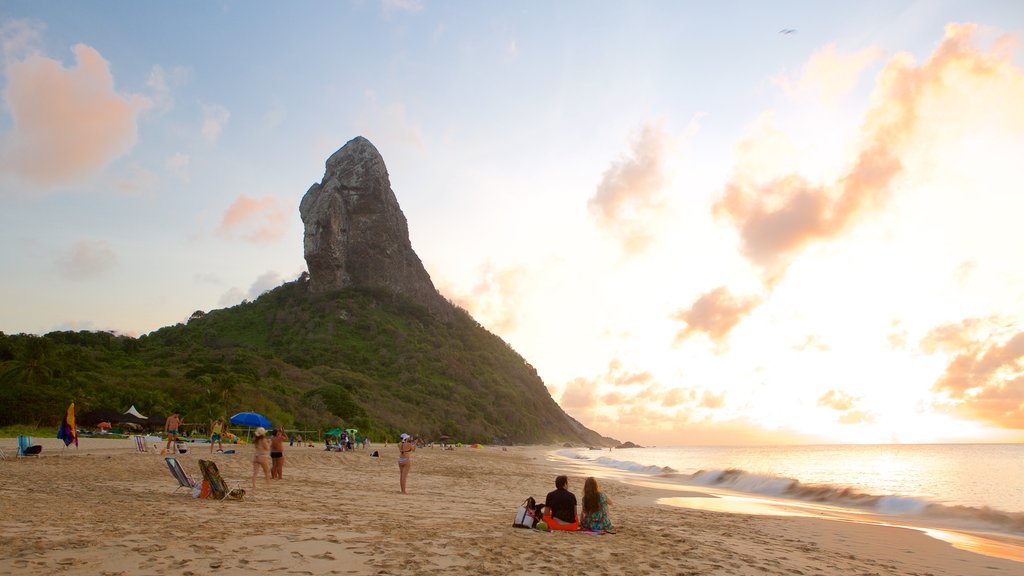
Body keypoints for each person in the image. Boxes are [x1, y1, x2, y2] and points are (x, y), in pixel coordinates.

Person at [251, 426, 271, 491]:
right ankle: (268, 485)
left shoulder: (255, 440)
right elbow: (267, 448)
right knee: (267, 472)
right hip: (262, 456)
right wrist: (269, 443)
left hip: (256, 456)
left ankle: (254, 486)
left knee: (255, 473)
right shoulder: (263, 440)